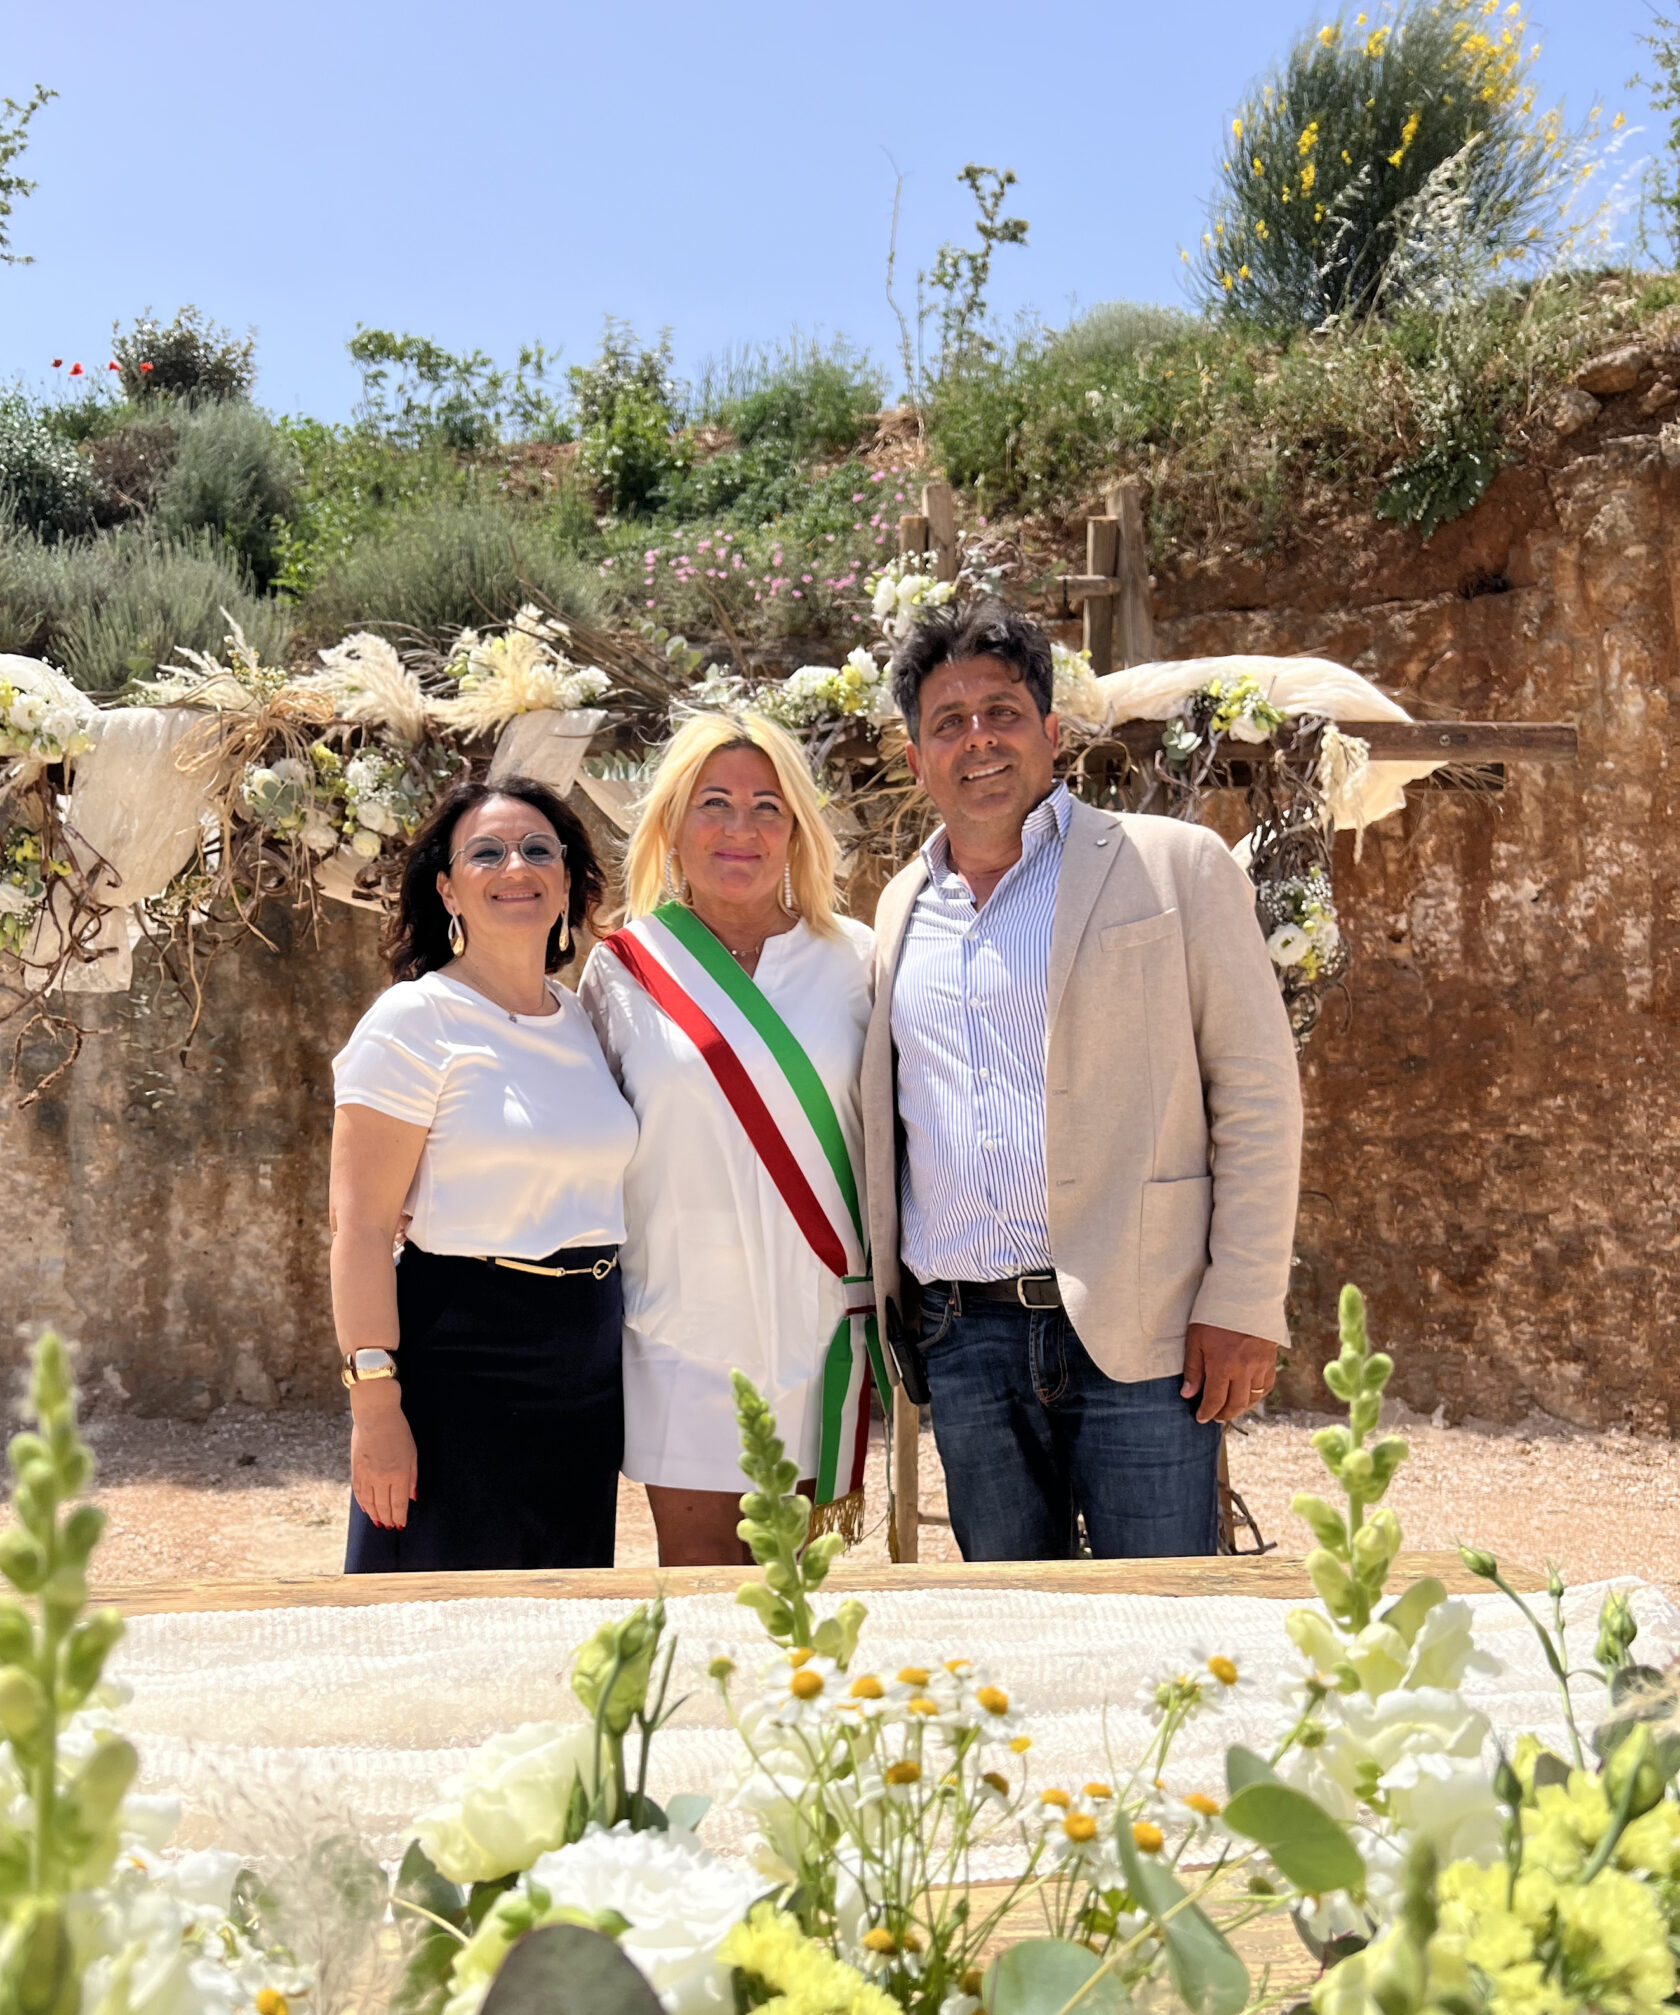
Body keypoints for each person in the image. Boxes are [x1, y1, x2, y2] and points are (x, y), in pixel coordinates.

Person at [861, 600, 1303, 1560]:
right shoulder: (899, 912)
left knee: (1165, 1618)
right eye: (949, 722)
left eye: (1003, 712)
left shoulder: (1173, 867)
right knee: (1017, 1627)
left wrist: (1243, 1300)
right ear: (917, 759)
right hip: (964, 1339)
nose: (979, 739)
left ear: (1052, 733)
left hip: (1143, 1326)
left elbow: (1258, 1096)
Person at [579, 711, 884, 1567]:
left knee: (806, 1592)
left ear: (797, 831)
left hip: (818, 1327)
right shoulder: (624, 967)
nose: (739, 828)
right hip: (681, 1330)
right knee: (702, 1584)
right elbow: (581, 1133)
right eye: (713, 803)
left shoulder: (855, 959)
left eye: (766, 807)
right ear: (672, 824)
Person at [329, 774, 638, 1572]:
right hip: (463, 1358)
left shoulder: (581, 1019)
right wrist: (375, 1405)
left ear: (567, 882)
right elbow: (360, 1230)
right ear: (447, 889)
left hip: (584, 1358)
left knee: (561, 1613)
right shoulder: (413, 1020)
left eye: (538, 850)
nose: (516, 868)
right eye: (487, 853)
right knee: (439, 1614)